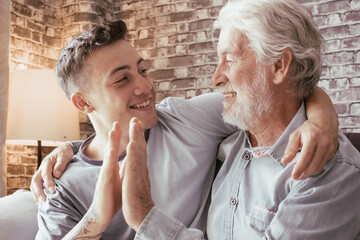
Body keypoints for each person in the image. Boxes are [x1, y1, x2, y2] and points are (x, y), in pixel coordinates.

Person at [32, 18, 339, 240]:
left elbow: (277, 92)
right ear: (83, 102)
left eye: (142, 70)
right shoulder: (60, 185)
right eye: (122, 79)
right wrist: (98, 218)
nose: (145, 86)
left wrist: (323, 121)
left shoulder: (185, 119)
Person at [110, 0, 360, 239]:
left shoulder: (328, 173)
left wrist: (144, 215)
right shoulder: (228, 140)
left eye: (229, 60)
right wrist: (71, 149)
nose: (216, 78)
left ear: (279, 66)